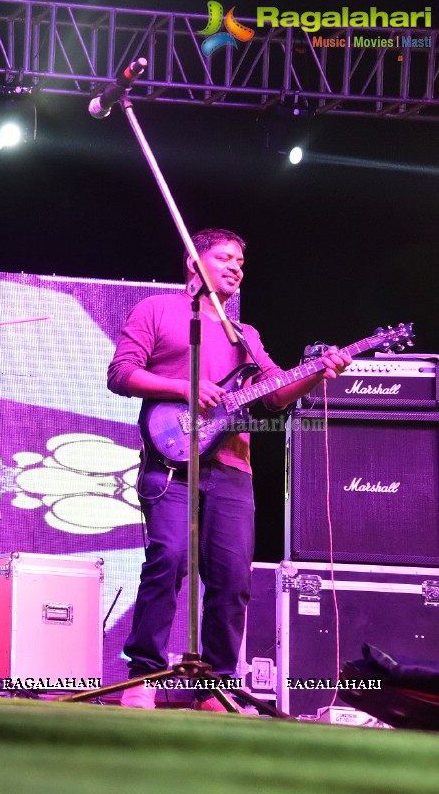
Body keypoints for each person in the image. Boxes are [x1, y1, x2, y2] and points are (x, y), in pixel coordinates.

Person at [106, 228, 351, 710]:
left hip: (233, 469)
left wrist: (317, 372)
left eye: (241, 260)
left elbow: (275, 395)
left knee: (233, 579)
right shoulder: (157, 310)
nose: (237, 266)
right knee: (169, 560)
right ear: (194, 262)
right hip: (171, 464)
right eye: (225, 257)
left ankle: (212, 685)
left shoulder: (247, 335)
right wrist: (184, 388)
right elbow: (120, 374)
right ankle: (142, 675)